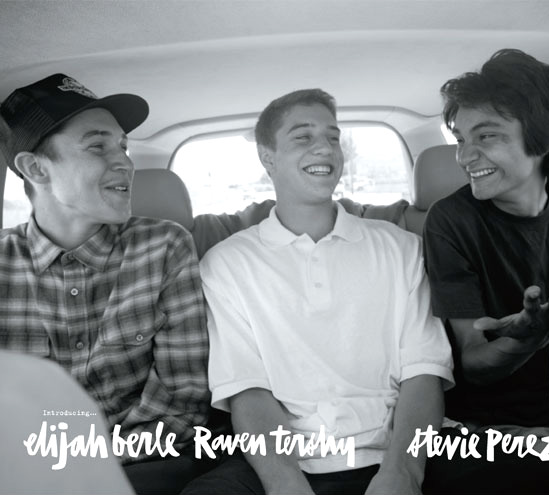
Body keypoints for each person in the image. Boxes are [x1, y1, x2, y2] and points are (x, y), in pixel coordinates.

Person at [183, 88, 453, 495]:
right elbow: (247, 391)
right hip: (285, 462)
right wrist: (286, 484)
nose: (324, 148)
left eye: (332, 137)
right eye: (303, 137)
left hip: (400, 451)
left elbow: (424, 372)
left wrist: (403, 473)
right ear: (267, 157)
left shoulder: (401, 248)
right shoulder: (226, 264)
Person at [422, 49, 549, 494]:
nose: (464, 156)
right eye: (460, 139)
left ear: (544, 138)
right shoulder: (449, 222)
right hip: (490, 429)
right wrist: (525, 341)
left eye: (486, 136)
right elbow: (473, 362)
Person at [0, 74, 211, 494]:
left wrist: (86, 468)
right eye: (98, 147)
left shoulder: (163, 247)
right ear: (36, 168)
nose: (125, 163)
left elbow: (181, 402)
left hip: (144, 467)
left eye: (123, 147)